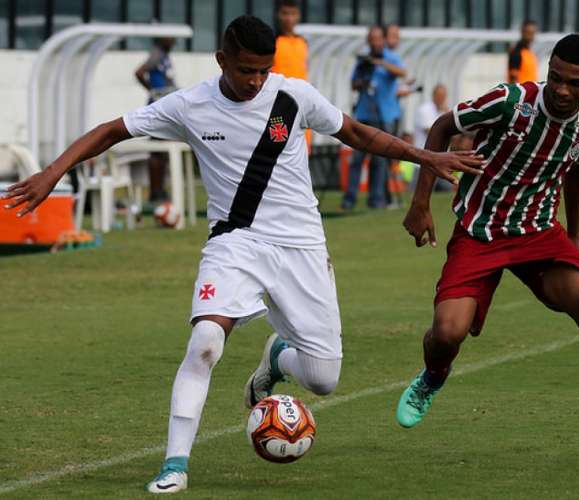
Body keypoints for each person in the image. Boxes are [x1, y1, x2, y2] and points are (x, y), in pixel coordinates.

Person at [3, 15, 483, 495]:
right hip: (235, 243)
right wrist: (51, 174)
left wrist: (426, 156)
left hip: (302, 248)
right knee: (206, 342)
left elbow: (356, 133)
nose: (256, 81)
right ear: (222, 61)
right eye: (246, 70)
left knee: (323, 379)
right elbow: (112, 130)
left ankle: (277, 355)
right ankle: (174, 465)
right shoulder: (190, 104)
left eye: (263, 70)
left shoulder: (293, 96)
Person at [394, 34, 579, 463]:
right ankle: (433, 376)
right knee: (447, 332)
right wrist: (421, 202)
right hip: (481, 231)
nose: (560, 89)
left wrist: (574, 231)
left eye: (573, 83)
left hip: (538, 234)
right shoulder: (510, 101)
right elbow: (444, 125)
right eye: (555, 77)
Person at [341, 25, 406, 210]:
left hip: (385, 114)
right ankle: (349, 199)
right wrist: (363, 80)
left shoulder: (390, 57)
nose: (375, 42)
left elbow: (402, 73)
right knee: (357, 159)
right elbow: (353, 84)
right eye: (372, 39)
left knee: (379, 160)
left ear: (383, 40)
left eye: (378, 38)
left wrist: (381, 64)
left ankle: (376, 200)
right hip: (363, 114)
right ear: (368, 41)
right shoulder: (363, 61)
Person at [135, 37, 178, 202]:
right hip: (159, 107)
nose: (173, 42)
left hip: (165, 105)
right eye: (171, 39)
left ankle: (159, 189)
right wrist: (152, 90)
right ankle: (155, 191)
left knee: (162, 151)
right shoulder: (157, 54)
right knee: (157, 150)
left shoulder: (164, 55)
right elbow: (139, 72)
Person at [272, 0, 313, 150]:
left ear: (298, 16)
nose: (289, 18)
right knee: (278, 144)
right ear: (278, 15)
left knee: (302, 146)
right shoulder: (273, 41)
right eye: (285, 14)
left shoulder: (303, 42)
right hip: (277, 104)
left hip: (301, 102)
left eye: (292, 14)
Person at [507, 20, 539, 84]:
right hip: (522, 92)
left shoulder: (530, 53)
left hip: (531, 92)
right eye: (528, 33)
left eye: (532, 33)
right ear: (522, 32)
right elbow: (513, 78)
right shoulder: (516, 52)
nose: (530, 36)